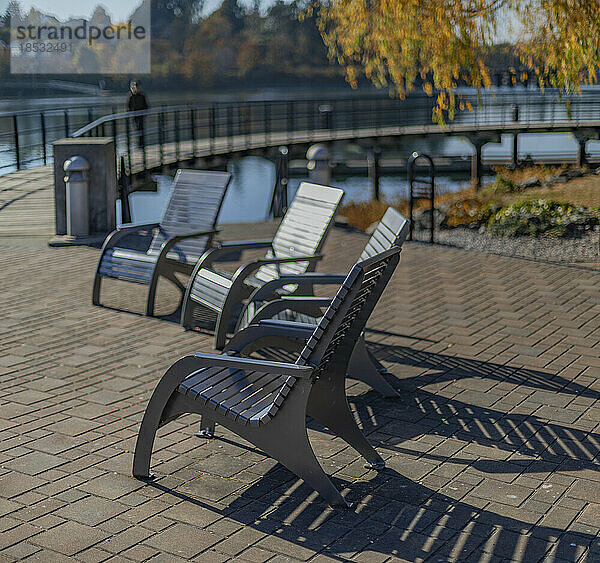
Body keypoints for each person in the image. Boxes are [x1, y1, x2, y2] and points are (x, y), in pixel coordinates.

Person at [126, 81, 149, 147]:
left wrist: (145, 112)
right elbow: (128, 106)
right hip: (135, 114)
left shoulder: (142, 95)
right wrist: (129, 111)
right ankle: (139, 143)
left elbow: (146, 105)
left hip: (141, 113)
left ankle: (141, 143)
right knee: (137, 128)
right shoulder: (130, 96)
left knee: (141, 128)